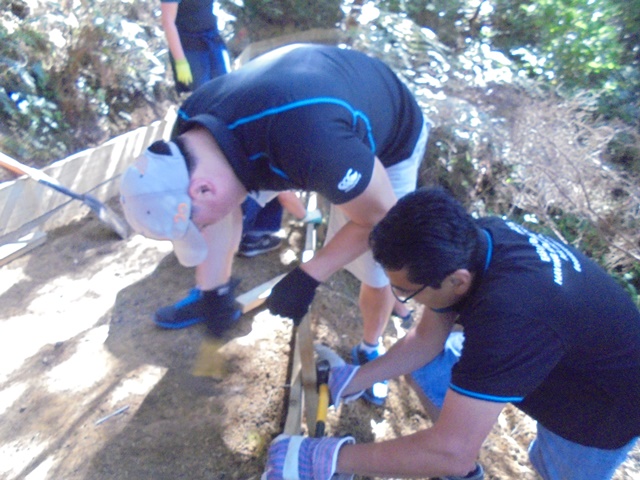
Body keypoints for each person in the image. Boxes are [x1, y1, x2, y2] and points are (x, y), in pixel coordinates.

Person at [119, 43, 428, 405]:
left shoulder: (311, 142)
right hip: (299, 123)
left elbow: (381, 217)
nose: (199, 231)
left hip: (390, 134)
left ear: (203, 188)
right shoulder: (190, 132)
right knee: (222, 208)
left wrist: (309, 275)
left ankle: (370, 348)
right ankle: (207, 296)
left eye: (194, 225)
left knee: (378, 265)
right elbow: (222, 212)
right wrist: (214, 290)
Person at [261, 186, 640, 480]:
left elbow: (453, 452)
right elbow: (427, 339)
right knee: (429, 380)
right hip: (554, 350)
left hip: (603, 408)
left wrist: (328, 458)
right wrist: (358, 378)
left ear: (457, 281)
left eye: (405, 292)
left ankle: (448, 448)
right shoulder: (477, 239)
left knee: (551, 467)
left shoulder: (511, 318)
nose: (400, 299)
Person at [160, 0, 230, 93]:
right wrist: (180, 61)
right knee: (204, 95)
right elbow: (168, 22)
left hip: (213, 41)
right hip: (191, 50)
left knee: (226, 89)